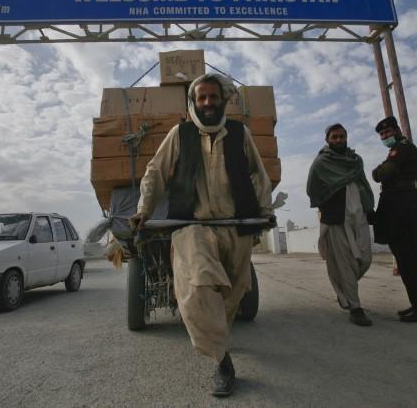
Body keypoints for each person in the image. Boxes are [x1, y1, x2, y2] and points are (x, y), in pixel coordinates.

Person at [129, 73, 274, 397]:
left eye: (213, 97)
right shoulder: (180, 134)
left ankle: (219, 340)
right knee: (198, 286)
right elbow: (154, 171)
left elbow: (257, 172)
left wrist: (264, 211)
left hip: (234, 226)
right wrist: (144, 210)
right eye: (201, 98)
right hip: (192, 226)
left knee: (233, 293)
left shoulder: (239, 133)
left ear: (222, 100)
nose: (207, 102)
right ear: (194, 103)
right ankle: (222, 361)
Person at [306, 123, 374, 326]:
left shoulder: (356, 160)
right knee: (345, 263)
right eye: (334, 137)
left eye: (342, 136)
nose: (338, 140)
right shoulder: (321, 162)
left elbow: (363, 183)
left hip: (358, 214)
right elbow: (312, 189)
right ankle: (355, 307)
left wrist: (369, 207)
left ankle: (344, 291)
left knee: (365, 259)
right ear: (327, 140)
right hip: (336, 218)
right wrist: (326, 202)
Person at [371, 116, 417, 322]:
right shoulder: (397, 150)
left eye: (388, 132)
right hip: (399, 205)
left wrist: (379, 169)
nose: (385, 136)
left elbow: (380, 173)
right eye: (382, 134)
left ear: (397, 130)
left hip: (403, 207)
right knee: (407, 263)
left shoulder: (403, 148)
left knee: (411, 261)